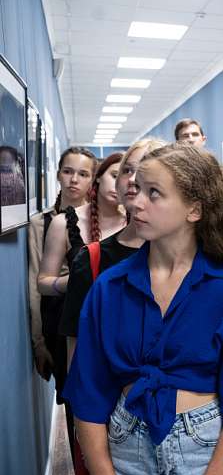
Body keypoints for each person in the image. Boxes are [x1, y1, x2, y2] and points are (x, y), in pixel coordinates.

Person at [63, 142, 223, 475]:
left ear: (193, 210)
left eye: (154, 194)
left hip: (205, 451)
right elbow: (88, 394)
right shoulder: (110, 288)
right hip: (127, 444)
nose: (135, 202)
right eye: (136, 190)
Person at [59, 138, 166, 368]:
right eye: (127, 170)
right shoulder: (91, 258)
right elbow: (76, 351)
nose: (134, 179)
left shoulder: (191, 255)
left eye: (146, 169)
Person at [28, 146, 96, 383]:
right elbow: (35, 282)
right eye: (68, 171)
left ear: (92, 180)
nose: (74, 180)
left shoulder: (106, 218)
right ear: (57, 174)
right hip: (59, 322)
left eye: (83, 174)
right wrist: (39, 343)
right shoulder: (42, 223)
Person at [38, 152, 127, 297]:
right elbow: (43, 284)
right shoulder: (63, 222)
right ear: (98, 176)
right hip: (76, 313)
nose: (118, 185)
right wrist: (75, 281)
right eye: (115, 176)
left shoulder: (135, 224)